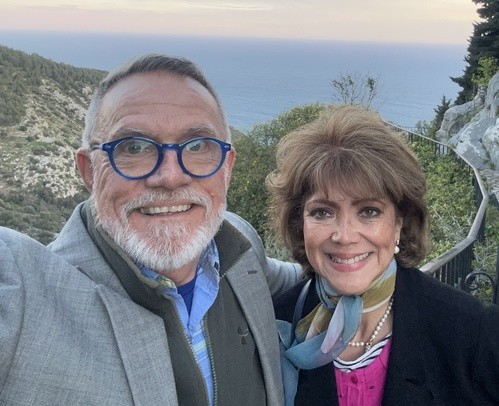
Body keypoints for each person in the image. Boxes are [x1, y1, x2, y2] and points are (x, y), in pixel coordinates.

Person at [0, 54, 301, 405]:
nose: (171, 176)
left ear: (227, 168)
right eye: (134, 148)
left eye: (198, 146)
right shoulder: (27, 299)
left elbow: (308, 279)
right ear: (89, 171)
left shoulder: (239, 246)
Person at [268, 105, 499, 405]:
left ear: (399, 222)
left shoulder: (470, 333)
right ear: (300, 224)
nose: (345, 236)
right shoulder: (272, 325)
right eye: (322, 212)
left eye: (369, 211)